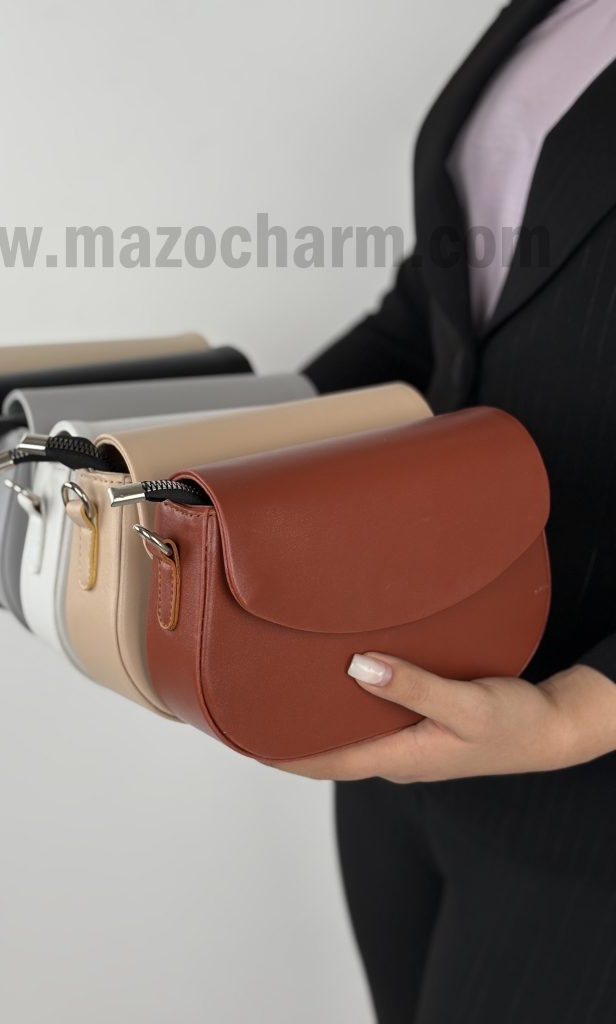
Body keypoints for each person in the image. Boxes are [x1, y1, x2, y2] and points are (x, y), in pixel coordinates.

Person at [279, 1, 616, 1021]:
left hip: (585, 798)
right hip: (407, 716)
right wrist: (202, 453)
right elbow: (434, 314)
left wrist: (573, 717)